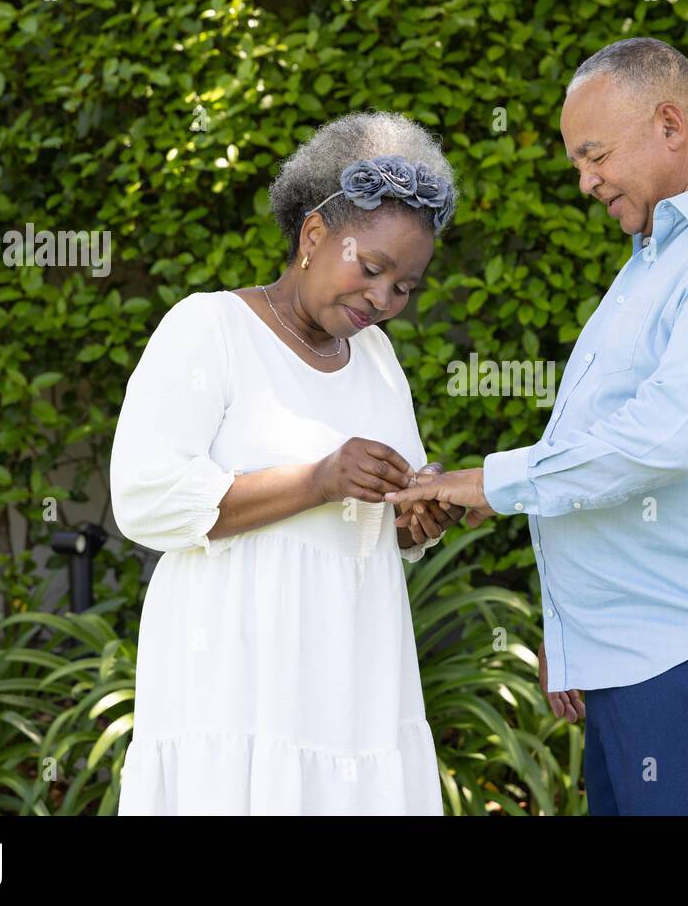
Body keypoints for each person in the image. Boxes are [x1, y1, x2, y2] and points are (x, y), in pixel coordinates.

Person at [387, 38, 688, 815]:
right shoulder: (656, 260)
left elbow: (667, 438)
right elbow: (603, 451)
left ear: (669, 123)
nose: (585, 180)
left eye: (593, 154)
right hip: (644, 667)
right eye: (576, 163)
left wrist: (483, 483)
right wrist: (577, 641)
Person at [110, 111, 465, 815]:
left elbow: (381, 521)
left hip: (353, 683)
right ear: (313, 235)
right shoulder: (209, 327)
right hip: (235, 682)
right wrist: (319, 479)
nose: (383, 299)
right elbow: (145, 497)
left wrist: (419, 519)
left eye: (406, 287)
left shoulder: (379, 363)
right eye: (370, 269)